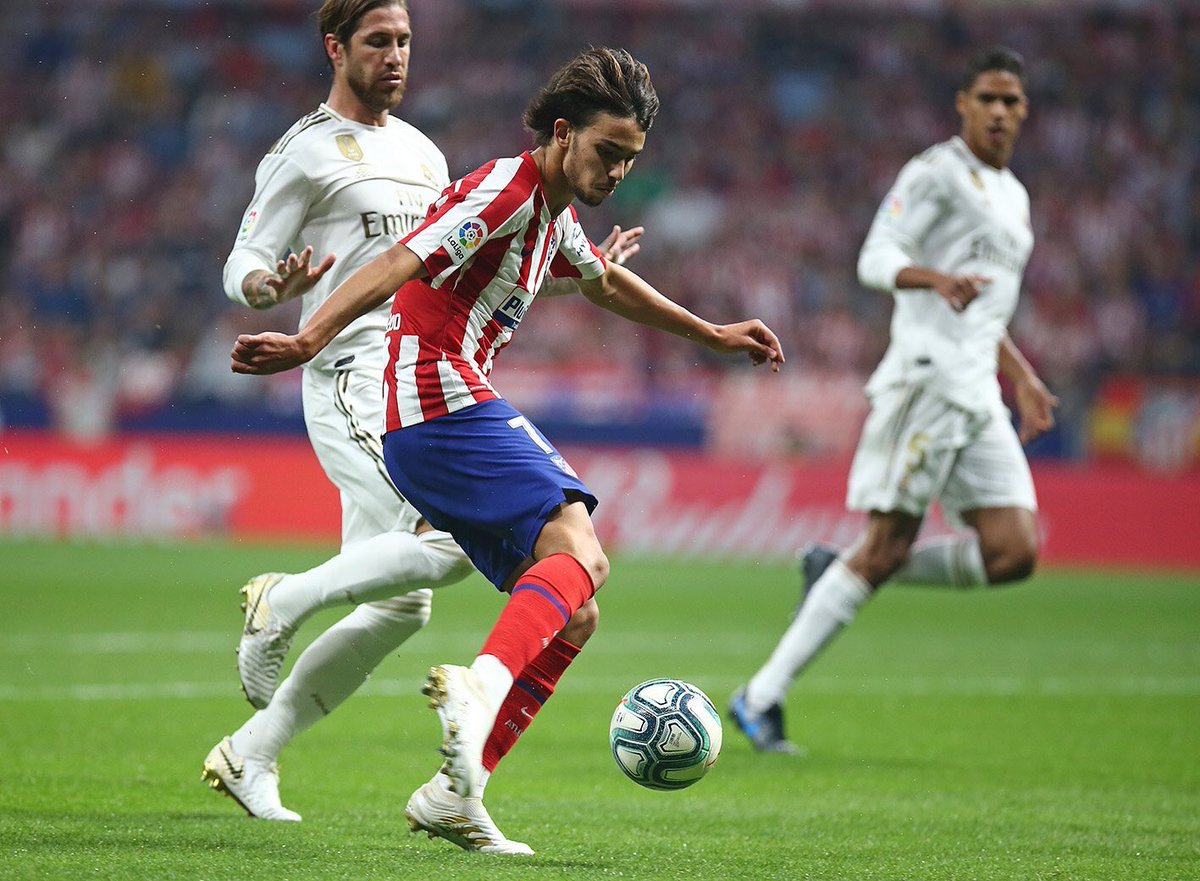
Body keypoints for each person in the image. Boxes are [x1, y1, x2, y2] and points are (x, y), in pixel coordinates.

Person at [231, 45, 784, 850]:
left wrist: (711, 333)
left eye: (629, 160)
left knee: (575, 609)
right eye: (606, 151)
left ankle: (457, 792)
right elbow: (402, 258)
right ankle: (473, 683)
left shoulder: (552, 214)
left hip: (444, 407)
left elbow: (601, 280)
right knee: (581, 548)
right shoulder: (506, 188)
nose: (616, 172)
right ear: (562, 133)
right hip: (433, 399)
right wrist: (308, 337)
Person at [201, 0, 641, 854]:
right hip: (354, 373)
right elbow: (244, 259)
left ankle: (252, 751)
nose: (396, 55)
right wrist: (266, 289)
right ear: (336, 48)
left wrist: (572, 272)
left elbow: (465, 256)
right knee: (444, 544)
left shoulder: (424, 153)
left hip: (417, 370)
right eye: (378, 41)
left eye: (405, 40)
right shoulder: (304, 151)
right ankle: (281, 599)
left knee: (402, 604)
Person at [729, 46, 1058, 753]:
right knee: (885, 545)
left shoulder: (1015, 195)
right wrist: (932, 278)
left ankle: (840, 567)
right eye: (988, 98)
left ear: (1024, 111)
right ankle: (759, 697)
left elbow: (986, 311)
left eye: (1011, 101)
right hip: (926, 380)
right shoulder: (935, 173)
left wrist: (1023, 375)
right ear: (963, 104)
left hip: (978, 388)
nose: (1000, 112)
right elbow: (874, 257)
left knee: (1015, 551)